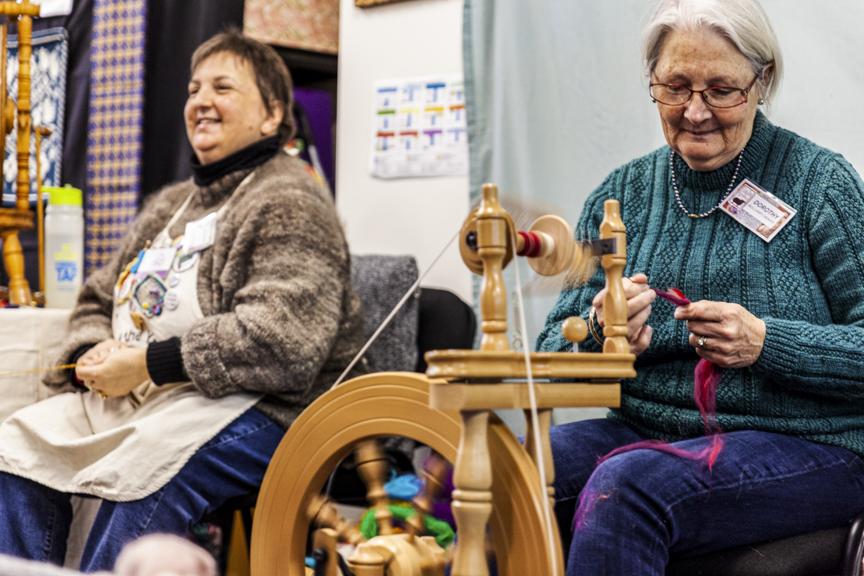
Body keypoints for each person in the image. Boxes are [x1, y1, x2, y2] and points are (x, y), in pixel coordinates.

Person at [0, 30, 364, 571]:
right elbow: (98, 296)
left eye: (223, 87)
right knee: (18, 450)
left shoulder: (290, 199)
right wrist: (94, 352)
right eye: (194, 89)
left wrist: (146, 363)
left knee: (149, 472)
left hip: (269, 407)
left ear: (272, 115)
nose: (201, 101)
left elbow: (281, 341)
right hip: (151, 395)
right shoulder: (171, 203)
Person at [537, 0, 864, 574]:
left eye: (720, 90)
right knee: (519, 467)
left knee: (629, 489)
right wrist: (602, 333)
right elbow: (550, 351)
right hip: (648, 428)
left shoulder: (821, 184)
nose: (694, 111)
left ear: (761, 82)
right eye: (676, 86)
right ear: (652, 83)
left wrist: (768, 343)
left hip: (816, 444)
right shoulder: (623, 195)